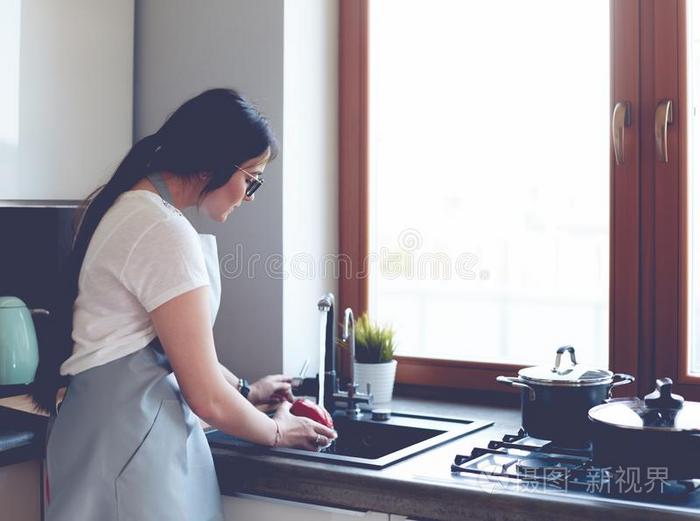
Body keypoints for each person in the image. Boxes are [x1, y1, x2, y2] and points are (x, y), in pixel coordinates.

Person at [31, 88, 337, 521]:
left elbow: (162, 348)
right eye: (251, 179)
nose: (249, 196)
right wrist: (277, 431)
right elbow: (205, 396)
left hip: (105, 440)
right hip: (131, 449)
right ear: (216, 162)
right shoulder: (162, 230)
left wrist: (247, 390)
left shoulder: (128, 209)